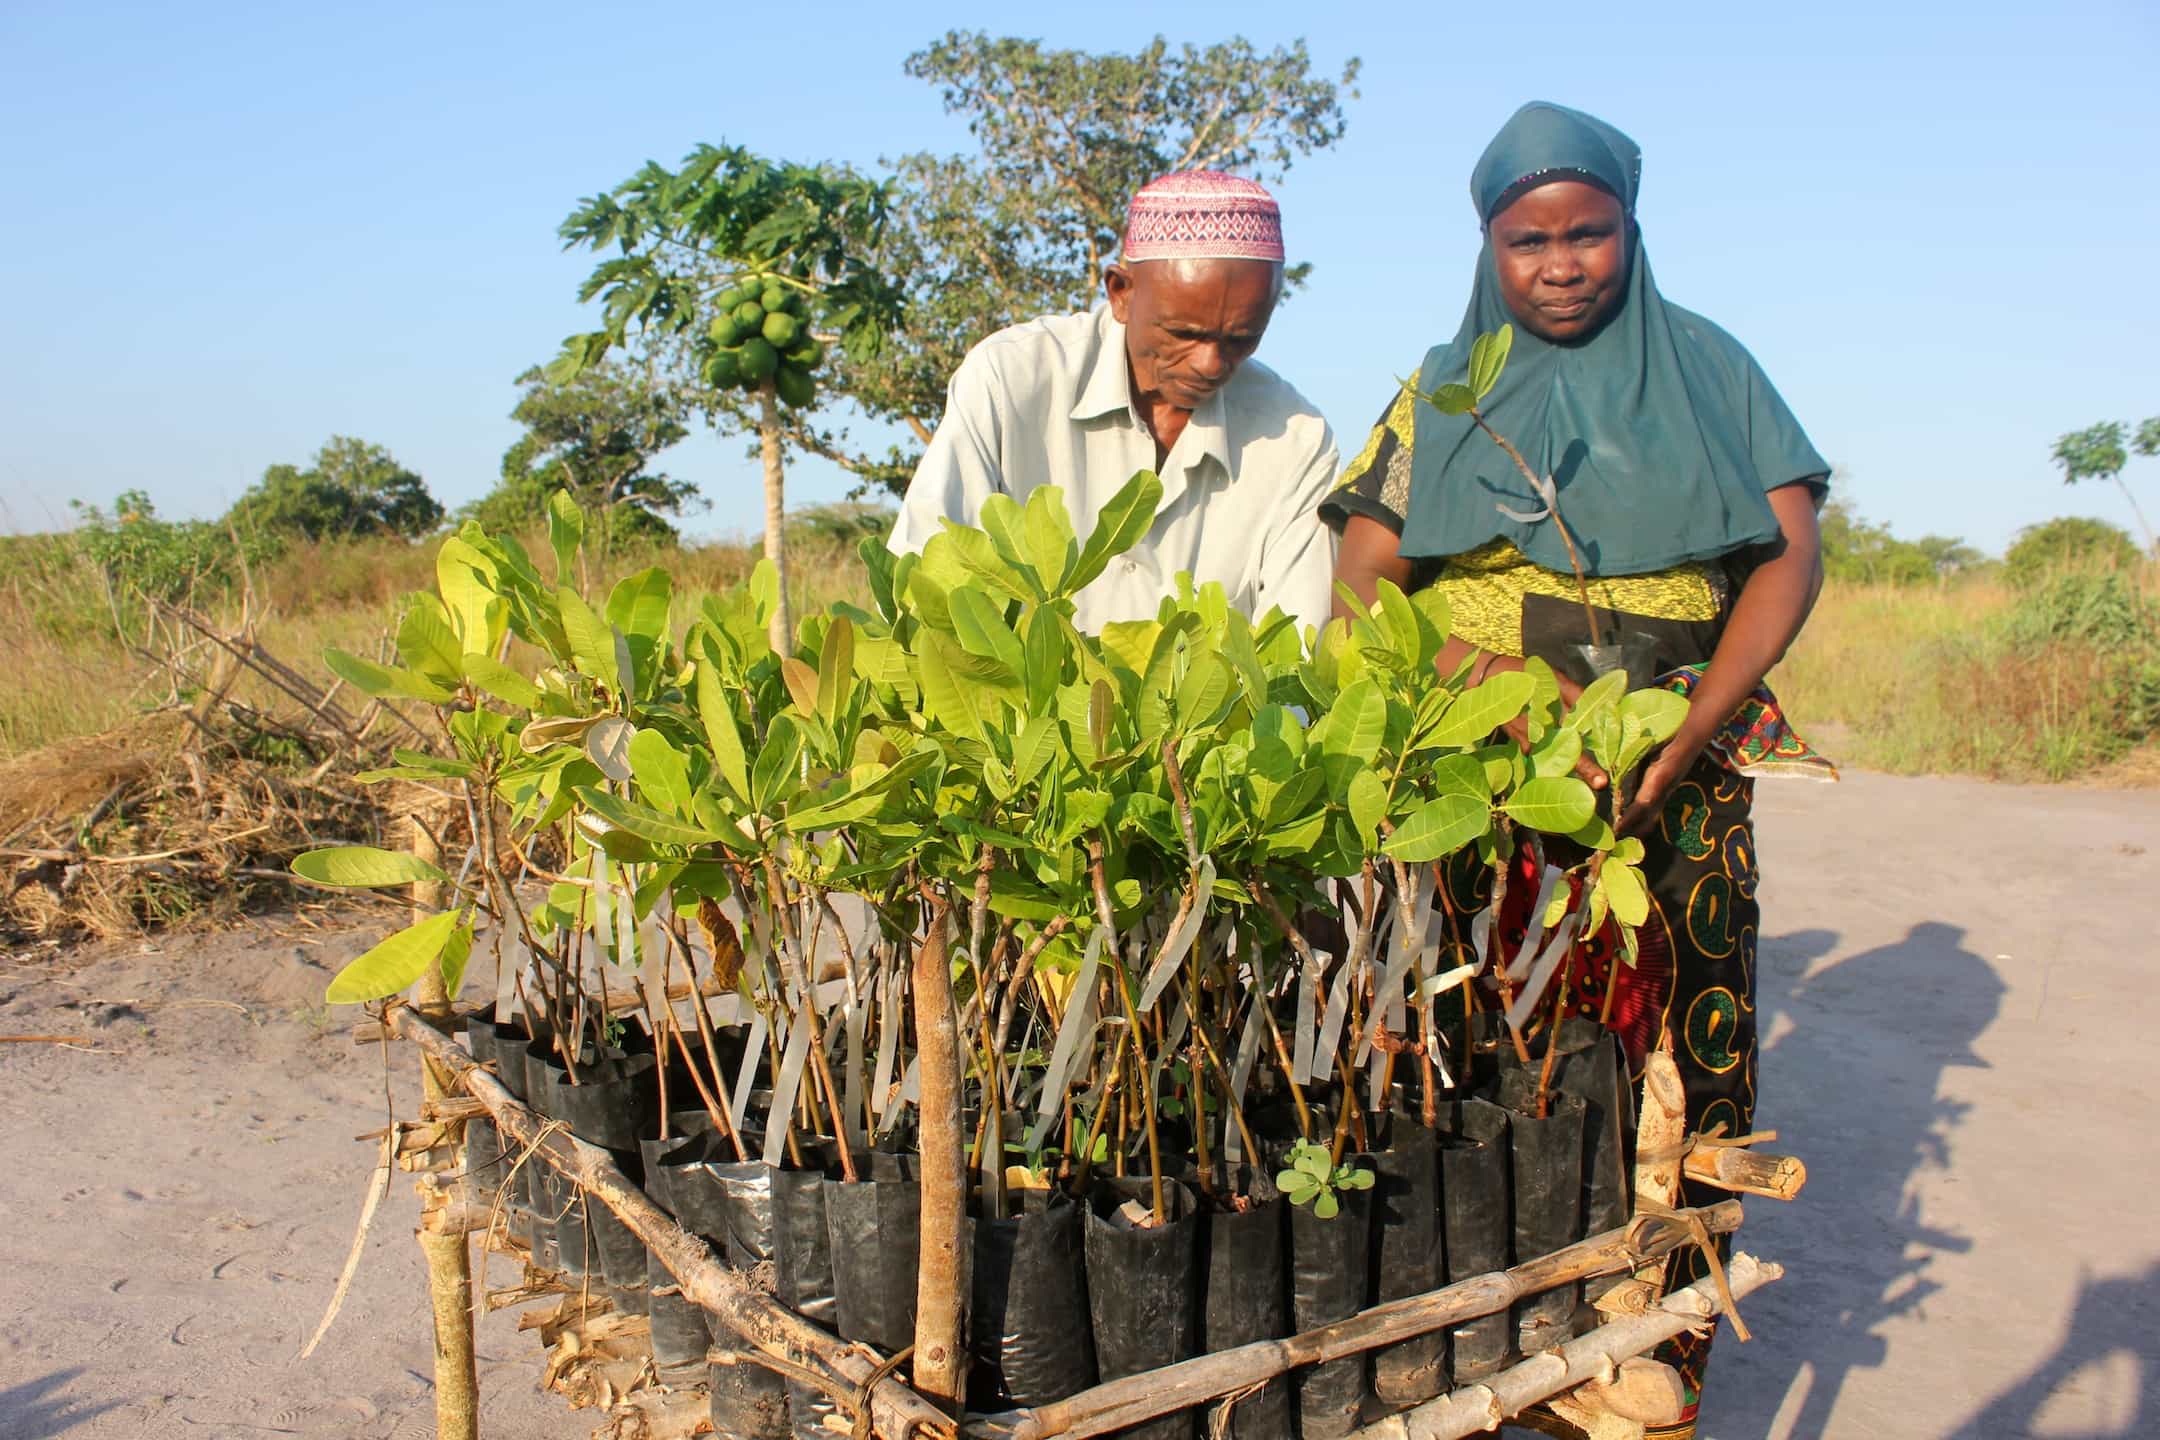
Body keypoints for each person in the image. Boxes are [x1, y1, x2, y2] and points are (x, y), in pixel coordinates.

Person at [1325, 102, 1834, 1439]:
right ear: (1488, 248)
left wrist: (1695, 722)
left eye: (1589, 233)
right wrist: (1502, 693)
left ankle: (1655, 1365)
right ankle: (1481, 1367)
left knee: (1687, 1050)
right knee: (1490, 1053)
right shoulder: (1443, 390)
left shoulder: (1713, 366)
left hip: (1677, 762)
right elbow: (1363, 591)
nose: (1563, 266)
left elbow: (1789, 553)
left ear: (1631, 229)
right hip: (1491, 777)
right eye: (1529, 241)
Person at [891, 171, 1339, 636]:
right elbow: (929, 579)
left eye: (1241, 339)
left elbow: (1297, 646)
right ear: (1120, 292)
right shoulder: (1010, 380)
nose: (1210, 364)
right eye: (1183, 333)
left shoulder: (1296, 438)